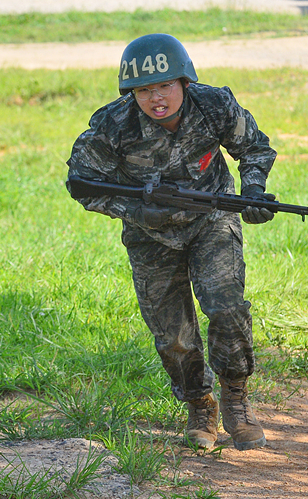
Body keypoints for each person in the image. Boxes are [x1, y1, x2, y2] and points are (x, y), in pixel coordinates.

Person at [65, 34, 277, 450]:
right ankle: (200, 405)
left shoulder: (214, 104)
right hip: (149, 238)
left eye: (164, 85)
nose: (156, 98)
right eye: (144, 90)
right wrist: (138, 213)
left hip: (211, 219)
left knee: (226, 306)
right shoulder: (113, 125)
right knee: (173, 334)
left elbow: (254, 147)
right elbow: (80, 183)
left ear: (184, 81)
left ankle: (236, 401)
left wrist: (252, 192)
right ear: (132, 94)